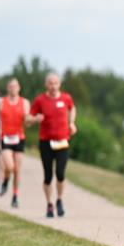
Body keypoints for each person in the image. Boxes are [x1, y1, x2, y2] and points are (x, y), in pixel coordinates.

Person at [30, 73, 77, 218]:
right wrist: (35, 119)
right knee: (48, 176)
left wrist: (71, 122)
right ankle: (49, 204)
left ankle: (59, 200)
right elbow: (29, 118)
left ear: (59, 84)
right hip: (46, 142)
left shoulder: (66, 98)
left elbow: (72, 108)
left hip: (62, 141)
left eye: (55, 83)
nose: (53, 86)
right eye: (50, 83)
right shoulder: (40, 100)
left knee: (60, 174)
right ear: (46, 85)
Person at [0, 79, 31, 209]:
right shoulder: (1, 102)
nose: (13, 88)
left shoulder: (25, 102)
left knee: (17, 170)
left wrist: (31, 120)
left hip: (19, 138)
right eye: (10, 86)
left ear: (19, 88)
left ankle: (15, 196)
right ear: (7, 88)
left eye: (15, 86)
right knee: (10, 166)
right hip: (5, 138)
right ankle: (5, 182)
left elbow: (27, 121)